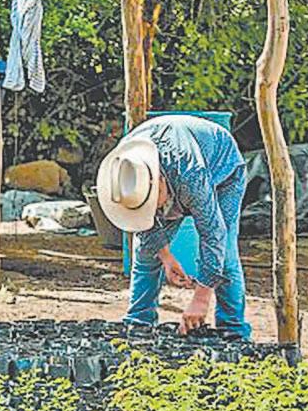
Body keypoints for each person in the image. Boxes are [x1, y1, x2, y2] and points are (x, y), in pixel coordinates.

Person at [96, 114, 251, 339]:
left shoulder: (190, 174)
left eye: (151, 203)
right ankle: (138, 321)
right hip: (175, 174)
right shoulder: (125, 166)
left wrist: (201, 298)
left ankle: (233, 329)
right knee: (146, 250)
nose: (152, 212)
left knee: (225, 255)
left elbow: (213, 234)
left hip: (222, 169)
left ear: (158, 180)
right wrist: (166, 257)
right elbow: (144, 224)